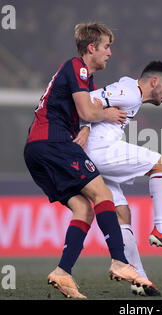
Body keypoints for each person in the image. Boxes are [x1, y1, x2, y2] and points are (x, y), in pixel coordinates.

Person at [23, 23, 152, 299]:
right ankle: (119, 260)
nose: (110, 53)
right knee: (102, 193)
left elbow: (82, 114)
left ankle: (63, 272)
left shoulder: (86, 81)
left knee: (83, 208)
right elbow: (86, 109)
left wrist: (85, 127)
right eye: (106, 46)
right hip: (53, 142)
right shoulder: (77, 67)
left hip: (38, 148)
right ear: (91, 48)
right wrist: (105, 115)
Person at [77, 61, 162, 296]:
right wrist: (87, 127)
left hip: (91, 155)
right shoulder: (130, 93)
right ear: (154, 82)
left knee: (121, 212)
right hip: (99, 151)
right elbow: (86, 99)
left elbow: (95, 101)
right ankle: (161, 230)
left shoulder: (129, 90)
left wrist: (96, 118)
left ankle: (138, 277)